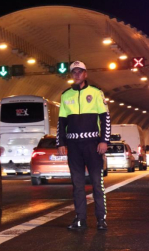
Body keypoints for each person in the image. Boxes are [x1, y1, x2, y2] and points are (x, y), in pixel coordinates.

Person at [56, 61, 110, 230]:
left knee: (96, 183)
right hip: (74, 147)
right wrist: (61, 143)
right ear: (71, 75)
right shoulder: (65, 96)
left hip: (92, 145)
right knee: (77, 184)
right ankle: (80, 219)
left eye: (80, 72)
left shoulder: (96, 93)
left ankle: (101, 219)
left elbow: (105, 118)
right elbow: (61, 122)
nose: (77, 74)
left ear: (85, 74)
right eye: (74, 72)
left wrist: (104, 141)